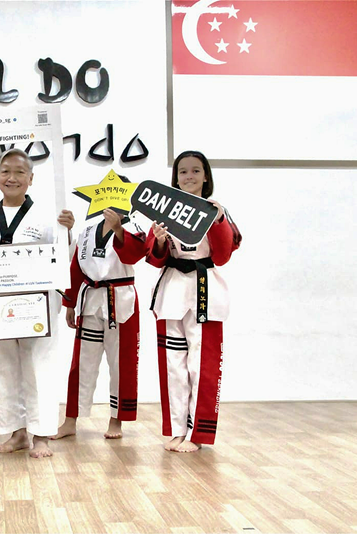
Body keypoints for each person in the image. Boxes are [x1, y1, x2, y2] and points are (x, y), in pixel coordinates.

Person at [0, 148, 74, 458]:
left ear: (31, 178)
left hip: (37, 305)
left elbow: (64, 255)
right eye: (5, 171)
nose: (11, 177)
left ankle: (41, 435)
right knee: (1, 369)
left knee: (39, 367)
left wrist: (68, 229)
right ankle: (16, 433)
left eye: (19, 172)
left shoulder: (49, 216)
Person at [145, 150, 241, 453]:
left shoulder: (216, 210)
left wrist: (220, 218)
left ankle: (199, 433)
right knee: (173, 365)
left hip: (205, 290)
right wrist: (159, 240)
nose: (189, 177)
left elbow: (223, 255)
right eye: (183, 171)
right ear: (175, 177)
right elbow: (154, 258)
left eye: (195, 171)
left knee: (202, 365)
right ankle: (175, 430)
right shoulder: (163, 212)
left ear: (206, 176)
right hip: (172, 290)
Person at [53, 208, 146, 441]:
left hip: (121, 300)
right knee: (81, 362)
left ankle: (117, 420)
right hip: (90, 300)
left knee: (120, 364)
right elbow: (75, 267)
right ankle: (71, 419)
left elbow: (133, 256)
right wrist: (70, 303)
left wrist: (117, 229)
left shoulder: (134, 228)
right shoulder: (87, 232)